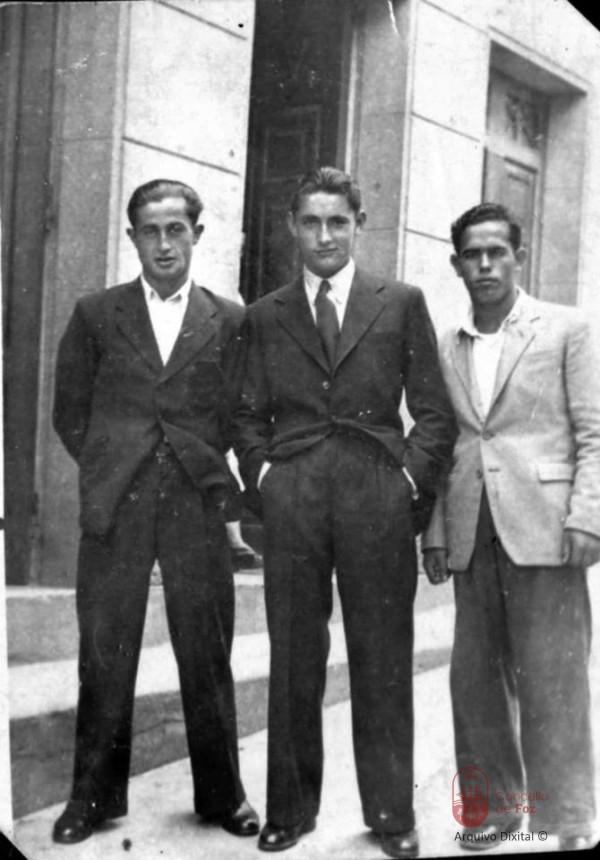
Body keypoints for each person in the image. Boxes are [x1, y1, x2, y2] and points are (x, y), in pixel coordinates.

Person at [233, 167, 457, 858]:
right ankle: (289, 811)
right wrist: (266, 477)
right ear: (292, 228)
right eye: (311, 222)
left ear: (359, 224)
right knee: (293, 655)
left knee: (382, 656)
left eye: (337, 222)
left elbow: (434, 413)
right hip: (295, 493)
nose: (324, 236)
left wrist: (406, 484)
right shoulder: (265, 314)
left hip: (374, 492)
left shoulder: (400, 302)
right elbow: (245, 415)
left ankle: (391, 814)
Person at [52, 179, 258, 844]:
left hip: (196, 501)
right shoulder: (96, 314)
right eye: (150, 230)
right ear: (132, 237)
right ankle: (91, 799)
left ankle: (223, 795)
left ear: (197, 234)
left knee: (207, 650)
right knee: (104, 650)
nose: (164, 244)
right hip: (119, 501)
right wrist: (113, 464)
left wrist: (209, 469)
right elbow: (70, 412)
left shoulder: (230, 320)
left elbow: (241, 413)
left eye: (176, 230)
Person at [422, 202, 600, 852]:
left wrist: (587, 517)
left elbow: (594, 432)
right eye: (473, 255)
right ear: (456, 265)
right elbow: (444, 443)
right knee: (474, 681)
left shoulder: (567, 329)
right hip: (473, 528)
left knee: (554, 677)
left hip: (546, 528)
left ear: (518, 258)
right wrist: (435, 532)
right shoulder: (448, 344)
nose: (486, 265)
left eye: (497, 252)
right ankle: (493, 812)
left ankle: (568, 816)